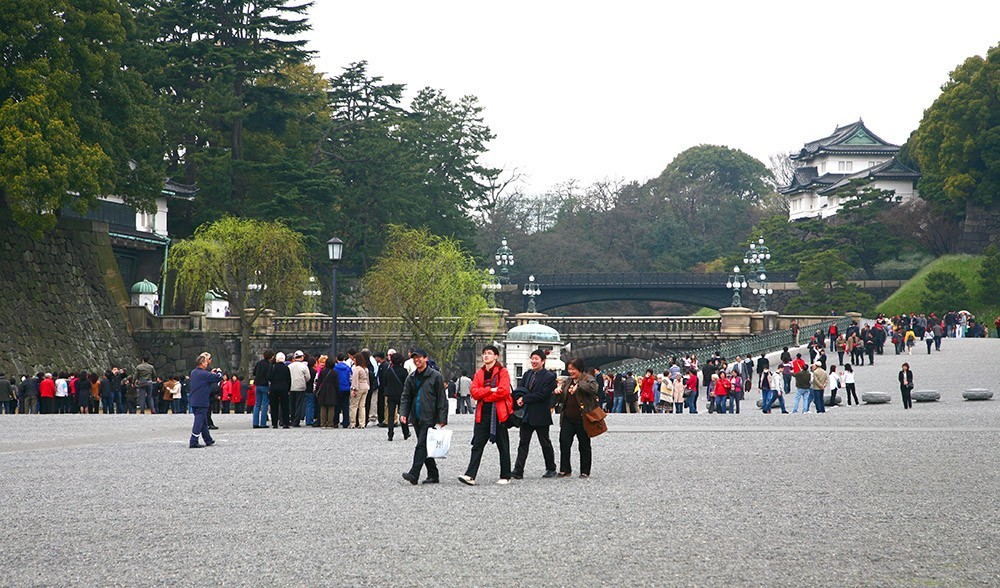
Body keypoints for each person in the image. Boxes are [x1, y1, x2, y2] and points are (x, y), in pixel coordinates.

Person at [459, 346, 514, 486]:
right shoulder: (479, 373)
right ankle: (470, 475)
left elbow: (503, 391)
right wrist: (490, 390)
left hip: (499, 413)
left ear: (496, 356)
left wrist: (484, 395)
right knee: (477, 445)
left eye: (489, 353)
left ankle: (505, 475)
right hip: (482, 413)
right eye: (484, 354)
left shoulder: (503, 372)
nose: (486, 356)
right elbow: (474, 392)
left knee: (503, 445)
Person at [399, 348, 448, 485]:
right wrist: (403, 413)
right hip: (416, 416)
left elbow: (441, 398)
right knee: (425, 446)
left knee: (421, 445)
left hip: (430, 416)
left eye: (420, 357)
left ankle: (414, 473)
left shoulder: (435, 376)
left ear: (426, 358)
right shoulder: (411, 377)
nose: (417, 360)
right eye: (415, 358)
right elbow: (406, 397)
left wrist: (442, 418)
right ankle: (433, 474)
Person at [512, 349, 557, 480]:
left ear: (543, 361)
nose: (534, 361)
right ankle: (518, 469)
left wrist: (525, 398)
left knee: (545, 442)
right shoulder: (527, 374)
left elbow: (543, 395)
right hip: (527, 414)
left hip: (541, 413)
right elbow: (521, 389)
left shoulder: (549, 376)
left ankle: (551, 468)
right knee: (523, 443)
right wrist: (519, 397)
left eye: (536, 359)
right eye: (532, 358)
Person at [553, 358, 599, 478]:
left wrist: (579, 385)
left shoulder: (588, 379)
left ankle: (585, 470)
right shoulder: (568, 381)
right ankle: (565, 469)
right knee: (564, 442)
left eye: (573, 369)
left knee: (584, 444)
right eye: (569, 369)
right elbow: (563, 399)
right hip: (568, 417)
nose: (571, 371)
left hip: (582, 417)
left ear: (579, 369)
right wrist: (558, 393)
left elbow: (594, 389)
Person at [188, 352, 222, 449]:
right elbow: (218, 377)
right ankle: (193, 440)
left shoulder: (194, 372)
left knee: (203, 421)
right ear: (202, 363)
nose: (207, 363)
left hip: (194, 400)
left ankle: (208, 439)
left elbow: (206, 377)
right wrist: (219, 371)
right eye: (206, 362)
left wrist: (211, 373)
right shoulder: (204, 374)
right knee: (199, 421)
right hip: (201, 400)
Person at [382, 352, 411, 441]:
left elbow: (384, 383)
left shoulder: (388, 371)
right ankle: (405, 432)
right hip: (401, 395)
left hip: (391, 395)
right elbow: (407, 384)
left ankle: (390, 434)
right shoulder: (404, 371)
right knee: (403, 414)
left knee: (391, 415)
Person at [314, 357, 339, 428]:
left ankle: (323, 423)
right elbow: (336, 384)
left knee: (323, 407)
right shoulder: (334, 373)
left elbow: (319, 382)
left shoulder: (322, 371)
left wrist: (316, 390)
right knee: (331, 407)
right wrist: (337, 392)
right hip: (332, 390)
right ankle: (330, 423)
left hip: (323, 390)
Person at [252, 349, 273, 429]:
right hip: (264, 385)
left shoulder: (259, 363)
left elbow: (254, 373)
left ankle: (255, 422)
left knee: (257, 404)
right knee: (265, 404)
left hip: (257, 384)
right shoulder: (269, 365)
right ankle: (263, 423)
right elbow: (269, 376)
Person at [349, 350, 371, 428]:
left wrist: (354, 389)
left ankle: (353, 423)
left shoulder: (357, 369)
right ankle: (362, 423)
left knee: (354, 406)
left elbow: (355, 380)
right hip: (365, 387)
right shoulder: (365, 368)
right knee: (362, 406)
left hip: (359, 387)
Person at [288, 350, 310, 427]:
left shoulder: (290, 366)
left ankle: (292, 418)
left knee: (292, 404)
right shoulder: (304, 366)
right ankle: (296, 421)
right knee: (299, 404)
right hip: (300, 387)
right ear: (302, 357)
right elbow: (308, 377)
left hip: (291, 387)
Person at [270, 352, 292, 429]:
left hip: (274, 388)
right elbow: (289, 379)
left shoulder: (272, 367)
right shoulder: (286, 368)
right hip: (284, 388)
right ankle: (285, 422)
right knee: (285, 406)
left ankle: (274, 423)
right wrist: (288, 389)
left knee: (274, 406)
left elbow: (269, 377)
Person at [334, 354, 353, 428]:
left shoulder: (335, 368)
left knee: (337, 405)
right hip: (346, 388)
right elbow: (351, 378)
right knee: (345, 406)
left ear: (336, 359)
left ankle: (336, 422)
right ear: (344, 359)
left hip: (338, 388)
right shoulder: (348, 368)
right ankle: (346, 422)